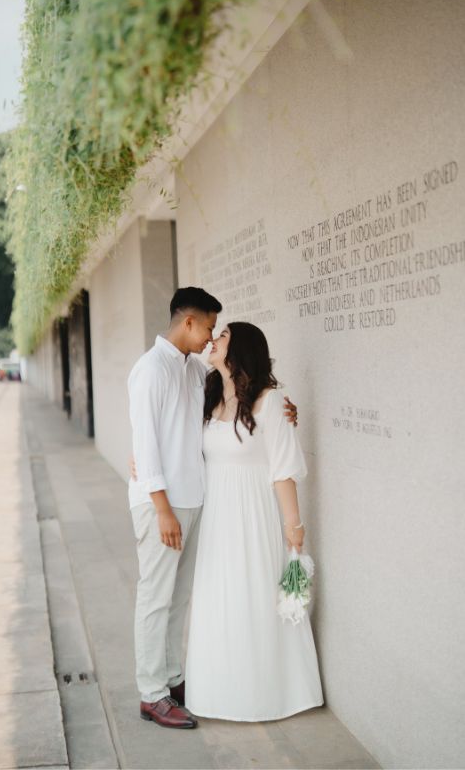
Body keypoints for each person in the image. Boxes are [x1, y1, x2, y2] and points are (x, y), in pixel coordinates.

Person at [127, 288, 298, 729]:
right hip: (163, 505)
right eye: (209, 327)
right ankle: (151, 694)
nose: (210, 336)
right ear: (189, 322)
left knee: (178, 597)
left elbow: (242, 405)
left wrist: (282, 412)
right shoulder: (151, 369)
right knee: (155, 597)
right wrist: (161, 508)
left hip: (193, 500)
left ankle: (171, 678)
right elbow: (145, 443)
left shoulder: (192, 371)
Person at [185, 321, 324, 721]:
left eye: (223, 336)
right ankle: (218, 692)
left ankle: (268, 693)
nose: (213, 340)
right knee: (219, 600)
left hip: (254, 516)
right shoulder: (208, 394)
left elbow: (283, 470)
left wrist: (294, 527)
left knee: (255, 597)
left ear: (240, 350)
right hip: (218, 517)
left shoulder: (272, 402)